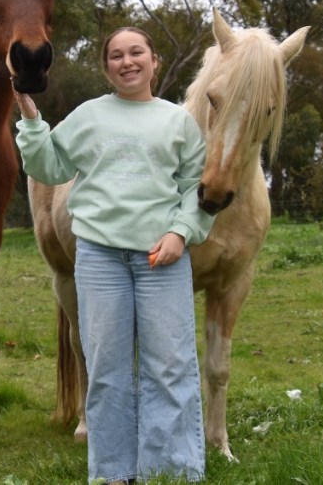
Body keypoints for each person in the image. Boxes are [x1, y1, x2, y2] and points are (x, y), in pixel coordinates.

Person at [13, 27, 215, 483]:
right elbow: (49, 165)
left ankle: (171, 473)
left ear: (154, 61)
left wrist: (181, 234)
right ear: (107, 68)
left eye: (136, 52)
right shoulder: (90, 116)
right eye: (117, 56)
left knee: (170, 368)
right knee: (107, 371)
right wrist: (29, 116)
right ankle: (113, 474)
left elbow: (194, 189)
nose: (127, 61)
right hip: (100, 260)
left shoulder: (178, 122)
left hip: (159, 259)